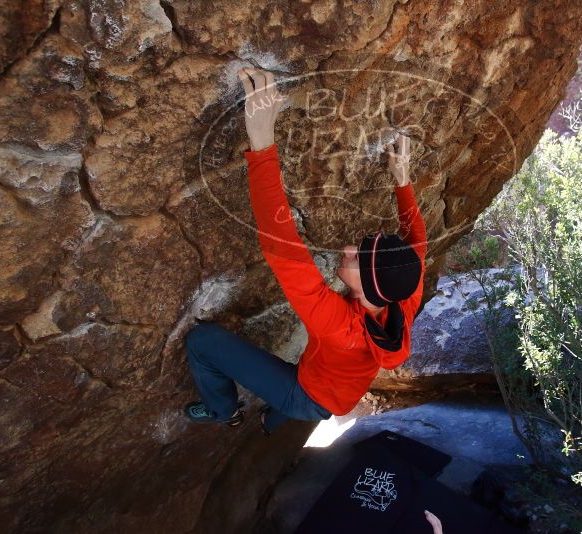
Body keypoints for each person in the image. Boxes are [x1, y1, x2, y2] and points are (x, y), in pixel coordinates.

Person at [182, 67, 427, 436]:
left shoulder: (338, 326)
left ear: (365, 290)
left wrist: (262, 140)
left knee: (203, 342)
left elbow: (281, 244)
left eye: (356, 258)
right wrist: (403, 182)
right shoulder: (401, 297)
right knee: (288, 403)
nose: (347, 248)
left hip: (310, 393)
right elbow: (417, 244)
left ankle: (223, 411)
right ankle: (271, 418)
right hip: (336, 385)